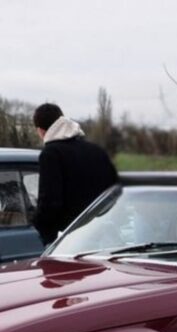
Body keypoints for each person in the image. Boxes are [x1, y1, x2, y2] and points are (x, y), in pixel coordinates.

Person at [32, 103, 119, 245]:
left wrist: (39, 224)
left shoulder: (51, 154)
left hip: (71, 240)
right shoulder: (96, 150)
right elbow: (113, 192)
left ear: (41, 131)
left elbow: (50, 201)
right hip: (104, 233)